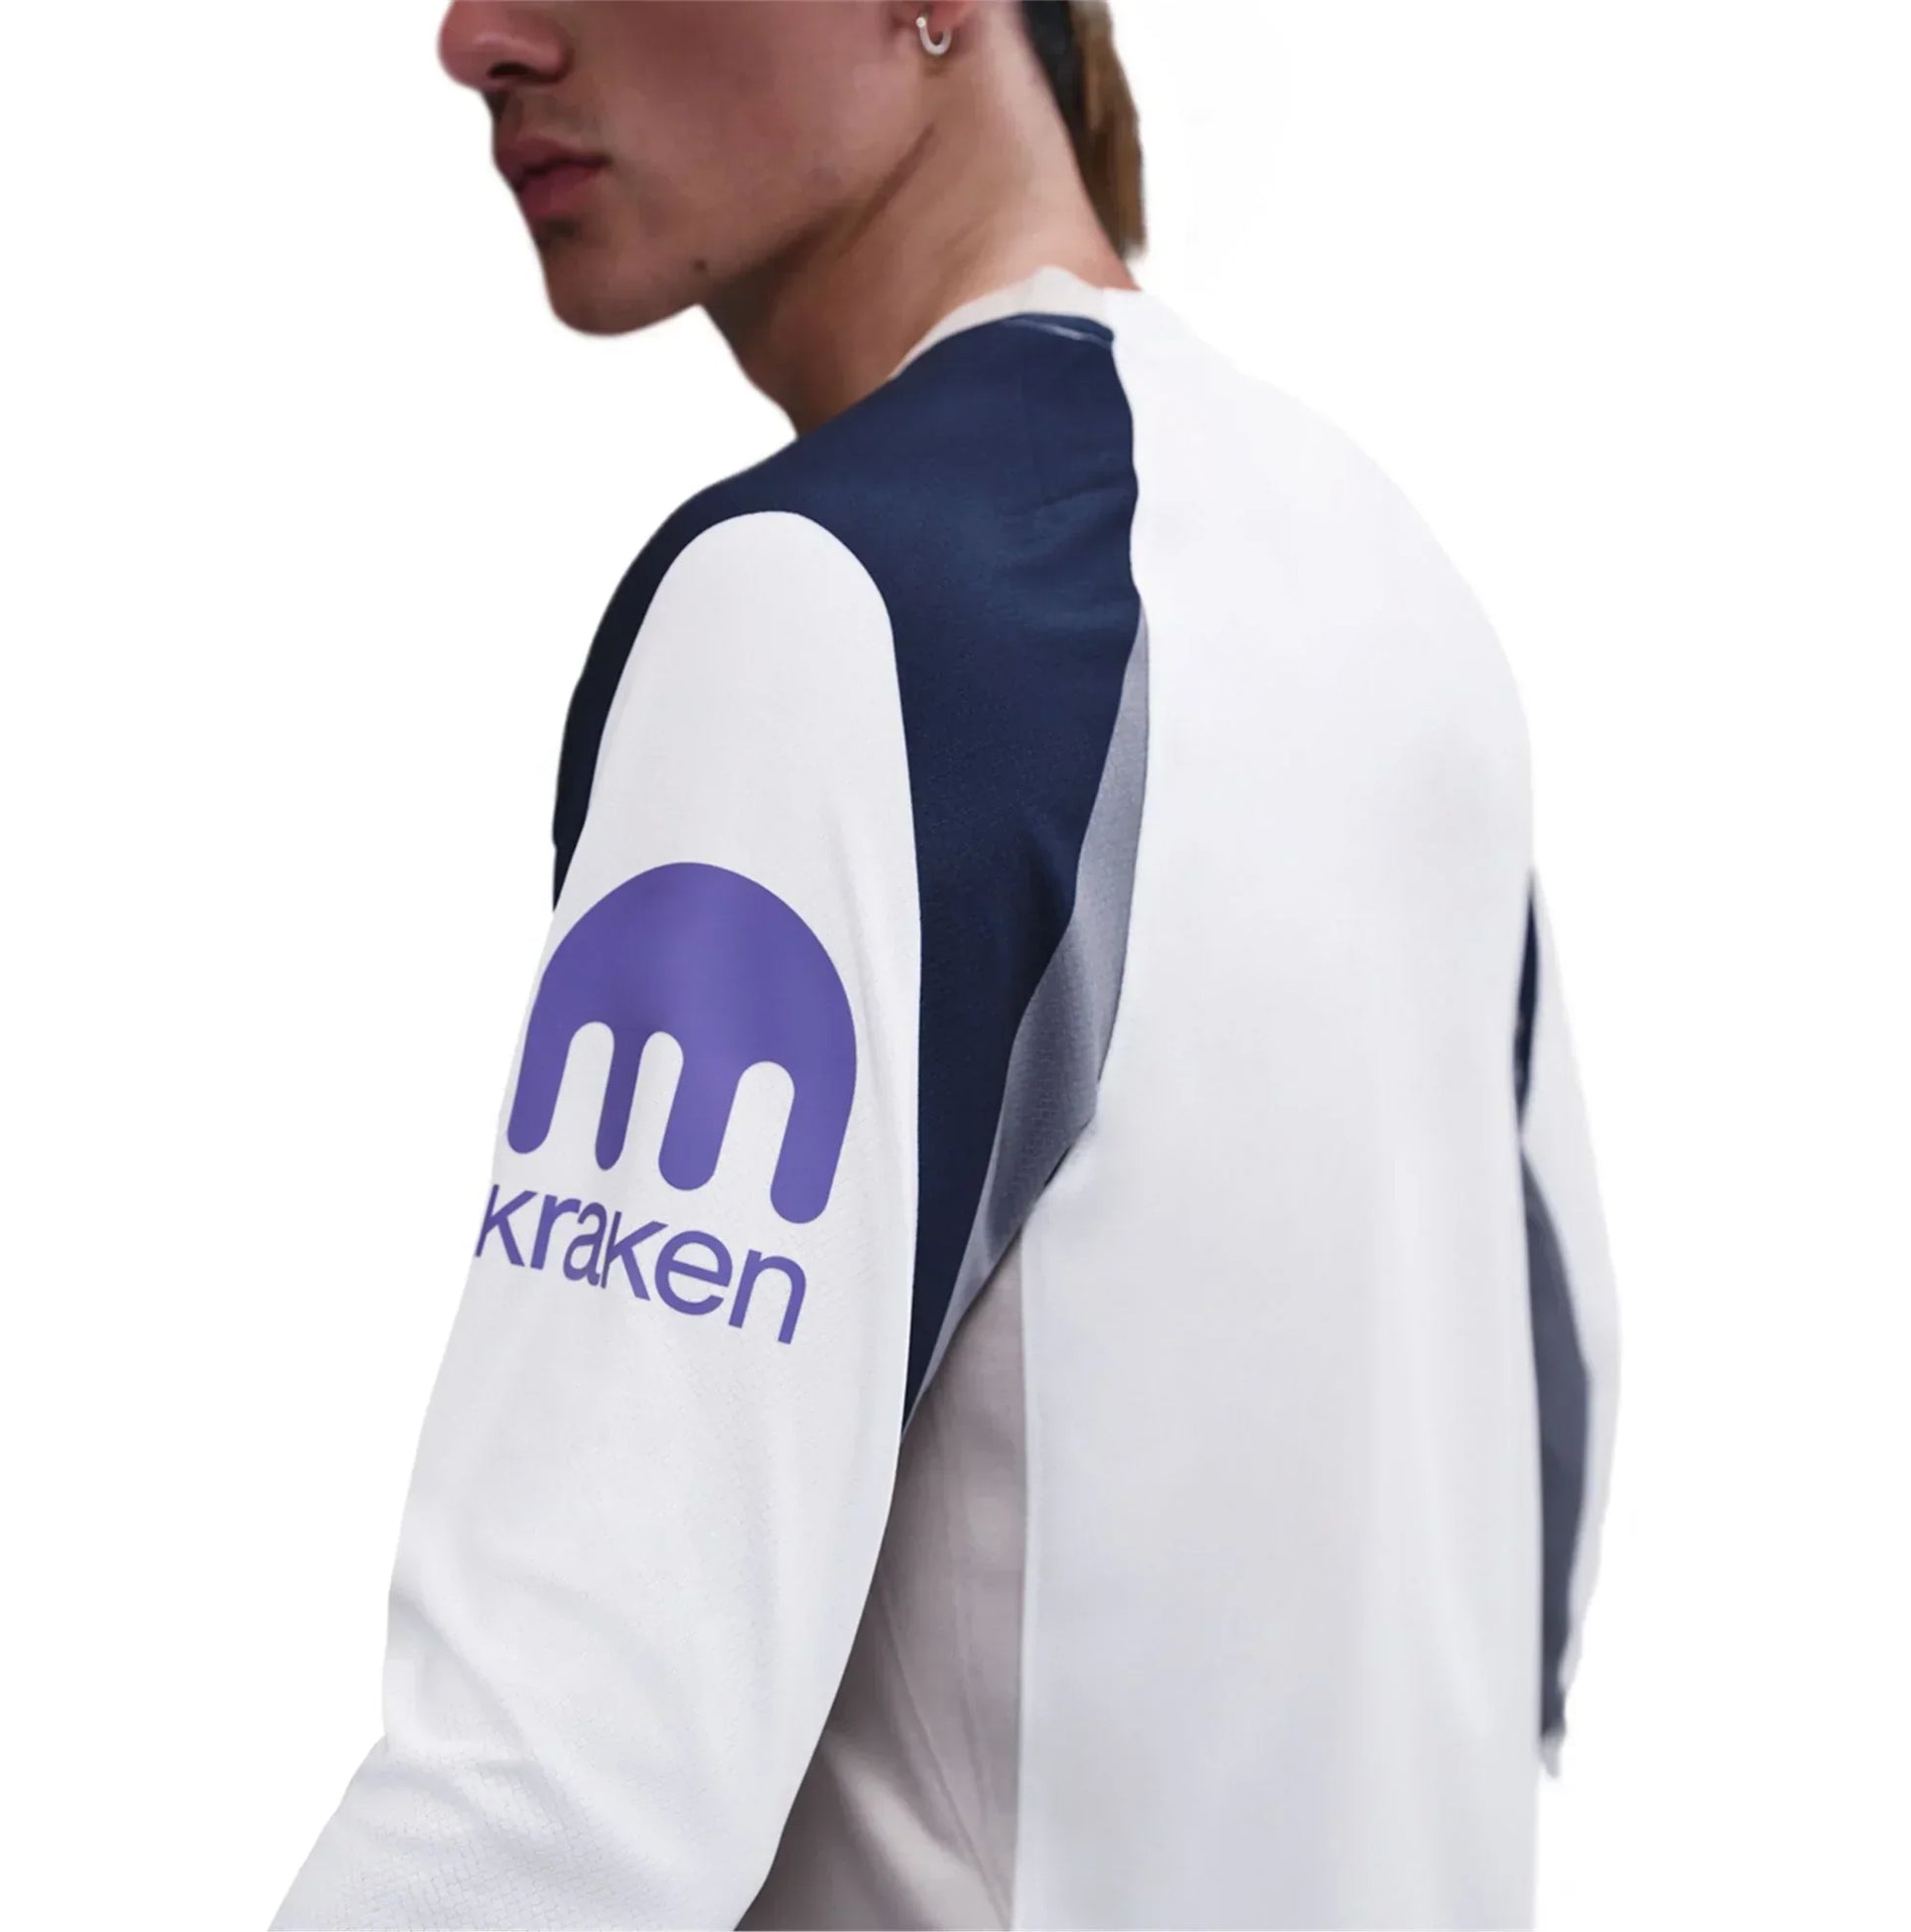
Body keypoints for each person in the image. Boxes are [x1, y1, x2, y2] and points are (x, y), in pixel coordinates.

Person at [274, 4, 1618, 1927]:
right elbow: (1549, 1477)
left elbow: (552, 1787)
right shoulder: (1397, 598)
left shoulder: (832, 608)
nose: (474, 37)